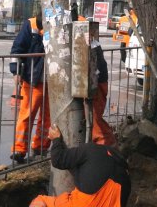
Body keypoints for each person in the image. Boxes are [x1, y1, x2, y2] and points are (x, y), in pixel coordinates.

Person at [29, 125, 131, 207]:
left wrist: (56, 139)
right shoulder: (115, 156)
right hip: (117, 195)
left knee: (40, 200)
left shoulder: (88, 150)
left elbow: (58, 160)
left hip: (86, 202)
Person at [10, 13, 50, 163]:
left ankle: (41, 147)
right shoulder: (31, 25)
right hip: (33, 79)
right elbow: (17, 50)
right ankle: (19, 149)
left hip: (53, 82)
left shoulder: (61, 25)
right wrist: (16, 71)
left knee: (48, 118)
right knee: (26, 115)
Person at [92, 40, 117, 146]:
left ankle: (107, 144)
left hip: (97, 83)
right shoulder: (93, 44)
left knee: (95, 118)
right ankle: (106, 143)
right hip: (97, 81)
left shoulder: (92, 46)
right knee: (94, 118)